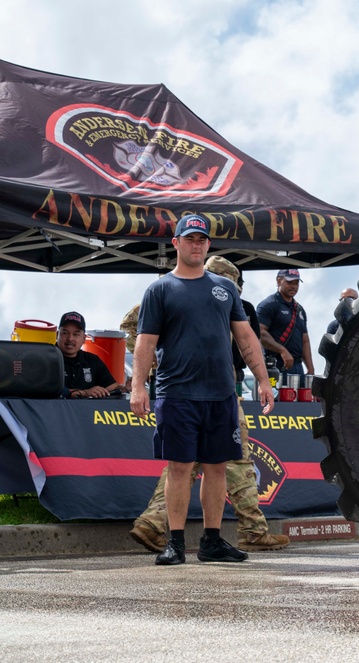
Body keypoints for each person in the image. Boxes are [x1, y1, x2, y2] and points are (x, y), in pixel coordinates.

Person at [130, 214, 275, 566]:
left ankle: (212, 541)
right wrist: (138, 386)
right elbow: (145, 342)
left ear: (208, 245)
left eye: (202, 239)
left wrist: (263, 378)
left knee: (217, 468)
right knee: (180, 468)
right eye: (190, 238)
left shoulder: (224, 288)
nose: (196, 244)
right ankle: (175, 543)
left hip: (221, 393)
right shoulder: (160, 289)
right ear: (176, 243)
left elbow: (245, 337)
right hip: (176, 392)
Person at [257, 268, 315, 378]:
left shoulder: (299, 309)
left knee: (300, 395)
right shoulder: (268, 305)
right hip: (275, 366)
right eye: (289, 282)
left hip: (297, 367)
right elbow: (260, 332)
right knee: (275, 395)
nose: (293, 286)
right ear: (279, 281)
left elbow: (305, 340)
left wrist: (310, 368)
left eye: (296, 283)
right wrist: (282, 350)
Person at [56, 311, 123, 399]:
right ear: (57, 335)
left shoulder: (92, 360)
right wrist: (85, 393)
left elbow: (113, 388)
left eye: (76, 334)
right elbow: (45, 390)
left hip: (86, 412)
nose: (70, 338)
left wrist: (128, 388)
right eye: (65, 333)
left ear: (84, 339)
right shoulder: (46, 358)